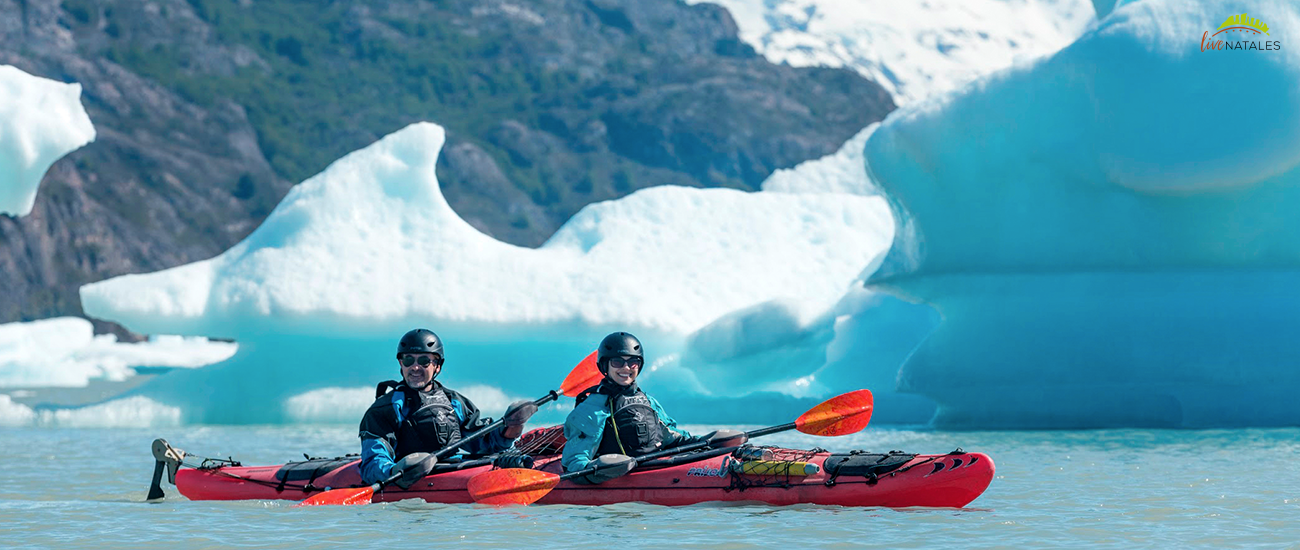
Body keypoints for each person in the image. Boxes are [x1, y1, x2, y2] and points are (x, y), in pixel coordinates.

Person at [358, 328, 537, 486]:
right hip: (408, 480)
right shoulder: (384, 409)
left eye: (423, 361)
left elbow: (483, 442)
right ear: (400, 364)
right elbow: (373, 461)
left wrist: (512, 428)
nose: (415, 367)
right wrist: (395, 472)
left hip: (452, 469)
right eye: (408, 360)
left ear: (437, 366)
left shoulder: (454, 402)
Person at [562, 332, 745, 484]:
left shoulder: (647, 401)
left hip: (656, 467)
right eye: (617, 362)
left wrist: (707, 441)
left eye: (633, 362)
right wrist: (600, 469)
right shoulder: (591, 410)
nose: (626, 368)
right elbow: (574, 461)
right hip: (617, 477)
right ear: (605, 365)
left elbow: (671, 437)